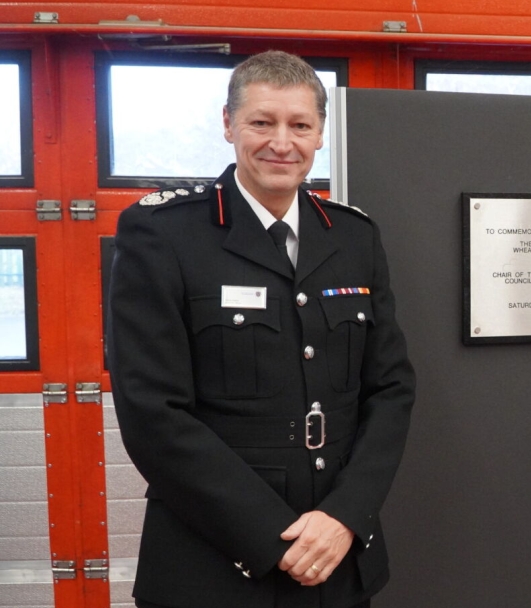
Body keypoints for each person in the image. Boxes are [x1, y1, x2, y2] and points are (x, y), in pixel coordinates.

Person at [107, 50, 415, 608]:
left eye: (300, 125)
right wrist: (278, 538)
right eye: (261, 122)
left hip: (338, 562)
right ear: (227, 124)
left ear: (320, 133)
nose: (282, 142)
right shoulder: (164, 235)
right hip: (212, 568)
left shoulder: (353, 238)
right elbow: (153, 414)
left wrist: (344, 517)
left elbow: (391, 390)